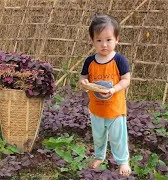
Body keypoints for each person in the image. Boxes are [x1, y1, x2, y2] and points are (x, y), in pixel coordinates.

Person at [79, 13, 131, 176]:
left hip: (115, 109)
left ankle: (123, 161)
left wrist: (114, 89)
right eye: (99, 40)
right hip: (96, 109)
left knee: (118, 137)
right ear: (93, 41)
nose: (104, 44)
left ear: (117, 39)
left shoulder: (119, 60)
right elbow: (82, 79)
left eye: (108, 40)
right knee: (99, 136)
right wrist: (84, 84)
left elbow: (126, 80)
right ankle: (99, 156)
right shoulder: (90, 61)